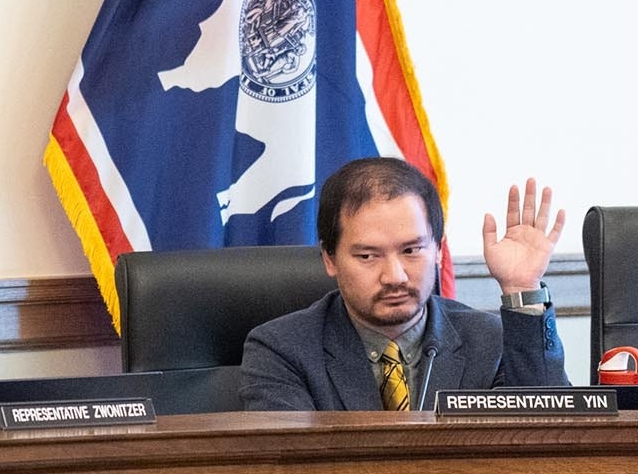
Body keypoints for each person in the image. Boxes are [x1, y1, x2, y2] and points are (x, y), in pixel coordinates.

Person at [240, 156, 568, 411]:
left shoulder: (489, 341)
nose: (395, 276)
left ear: (438, 250)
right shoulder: (282, 350)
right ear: (329, 258)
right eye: (368, 256)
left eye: (411, 250)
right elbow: (291, 472)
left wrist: (521, 287)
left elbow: (551, 437)